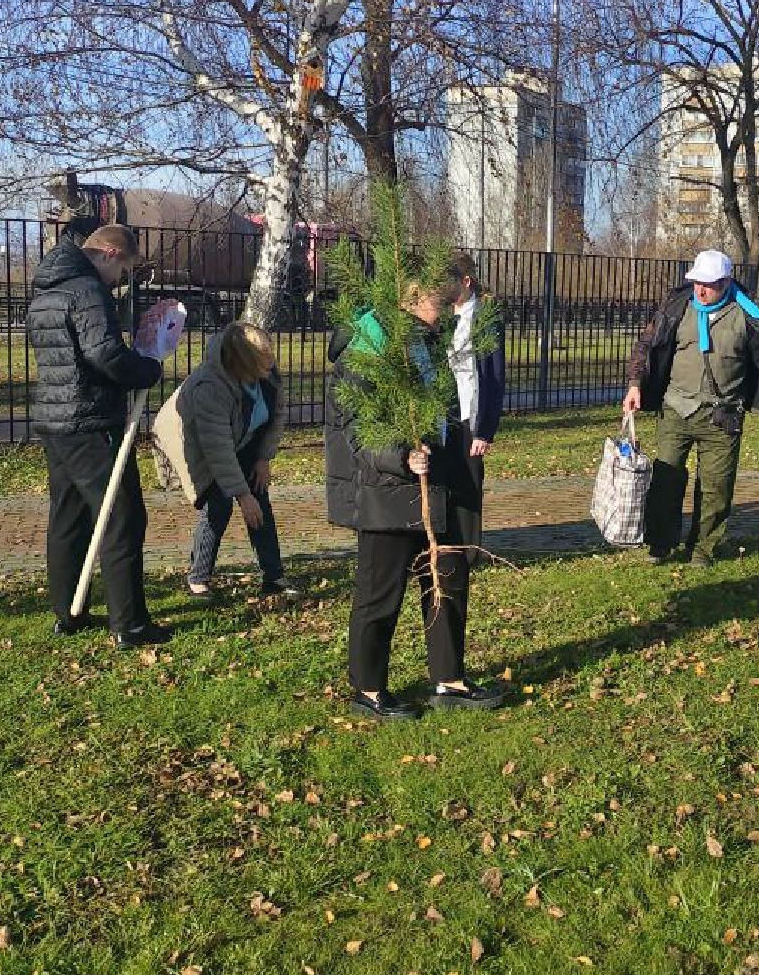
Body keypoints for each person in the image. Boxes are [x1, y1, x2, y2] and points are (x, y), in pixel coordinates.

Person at [326, 277, 507, 721]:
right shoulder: (368, 348)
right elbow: (354, 427)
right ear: (409, 298)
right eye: (437, 299)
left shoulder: (427, 340)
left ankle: (449, 679)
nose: (445, 306)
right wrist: (400, 457)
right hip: (388, 486)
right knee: (380, 592)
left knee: (448, 578)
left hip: (439, 478)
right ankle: (368, 689)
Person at [26, 223, 169, 647]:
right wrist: (147, 369)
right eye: (123, 270)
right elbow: (105, 354)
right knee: (122, 516)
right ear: (109, 253)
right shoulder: (87, 291)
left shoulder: (47, 291)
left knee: (68, 517)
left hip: (55, 420)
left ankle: (68, 612)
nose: (120, 280)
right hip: (88, 420)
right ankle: (130, 623)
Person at [622, 248, 759, 566]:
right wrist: (636, 384)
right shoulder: (677, 307)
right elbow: (647, 344)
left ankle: (703, 549)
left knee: (716, 486)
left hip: (723, 415)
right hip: (676, 409)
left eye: (709, 284)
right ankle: (660, 543)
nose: (700, 291)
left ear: (726, 282)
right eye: (697, 283)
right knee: (666, 479)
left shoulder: (748, 315)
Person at [150, 321, 298, 600]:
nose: (271, 364)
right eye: (263, 360)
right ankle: (198, 578)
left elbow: (276, 415)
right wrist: (242, 494)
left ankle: (273, 576)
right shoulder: (210, 386)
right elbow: (218, 449)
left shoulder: (267, 373)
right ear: (242, 362)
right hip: (194, 440)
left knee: (260, 500)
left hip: (241, 435)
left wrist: (263, 458)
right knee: (218, 505)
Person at [444, 252, 505, 552]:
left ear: (466, 281)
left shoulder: (484, 318)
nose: (443, 289)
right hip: (444, 411)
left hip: (471, 411)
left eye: (449, 282)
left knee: (469, 480)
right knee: (447, 479)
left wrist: (484, 431)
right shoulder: (441, 316)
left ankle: (468, 550)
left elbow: (494, 376)